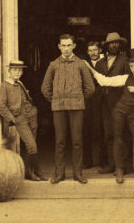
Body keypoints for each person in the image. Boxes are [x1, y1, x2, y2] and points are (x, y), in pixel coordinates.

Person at [87, 48, 134, 183]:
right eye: (131, 66)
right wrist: (90, 67)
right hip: (119, 113)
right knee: (117, 139)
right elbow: (105, 81)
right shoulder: (125, 78)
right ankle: (119, 170)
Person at [41, 34, 94, 184]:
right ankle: (59, 174)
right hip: (59, 108)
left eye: (68, 45)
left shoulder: (80, 64)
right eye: (63, 45)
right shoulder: (53, 65)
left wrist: (79, 99)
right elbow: (45, 88)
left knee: (77, 141)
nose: (65, 49)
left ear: (74, 46)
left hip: (76, 107)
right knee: (60, 141)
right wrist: (55, 100)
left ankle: (78, 174)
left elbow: (90, 88)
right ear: (59, 46)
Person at [0, 60, 46, 181]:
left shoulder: (20, 83)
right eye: (15, 70)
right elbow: (1, 106)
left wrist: (34, 110)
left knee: (31, 145)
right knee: (32, 145)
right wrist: (12, 119)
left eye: (20, 70)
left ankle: (30, 171)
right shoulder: (5, 85)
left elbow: (27, 99)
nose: (17, 72)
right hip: (20, 118)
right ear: (9, 71)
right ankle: (35, 171)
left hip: (31, 115)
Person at [94, 32, 131, 174]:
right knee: (108, 134)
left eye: (116, 42)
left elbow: (128, 81)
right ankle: (111, 164)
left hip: (120, 103)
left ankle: (122, 166)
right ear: (107, 46)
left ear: (120, 45)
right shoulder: (100, 63)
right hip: (105, 104)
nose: (114, 45)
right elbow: (96, 84)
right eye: (111, 43)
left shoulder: (125, 60)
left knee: (121, 134)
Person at [83, 41, 103, 168]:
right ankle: (87, 161)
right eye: (90, 50)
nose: (92, 53)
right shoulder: (83, 64)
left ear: (100, 50)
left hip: (103, 101)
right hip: (88, 101)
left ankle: (102, 161)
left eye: (95, 50)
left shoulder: (105, 62)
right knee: (86, 130)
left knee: (101, 130)